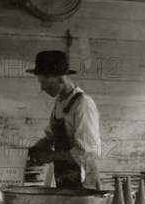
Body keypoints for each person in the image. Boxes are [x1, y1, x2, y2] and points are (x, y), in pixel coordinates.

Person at [27, 50, 101, 189]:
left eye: (45, 82)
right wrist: (34, 149)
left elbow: (87, 152)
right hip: (65, 180)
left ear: (60, 79)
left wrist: (50, 156)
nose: (42, 88)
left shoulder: (83, 104)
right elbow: (50, 138)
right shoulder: (60, 103)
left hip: (84, 183)